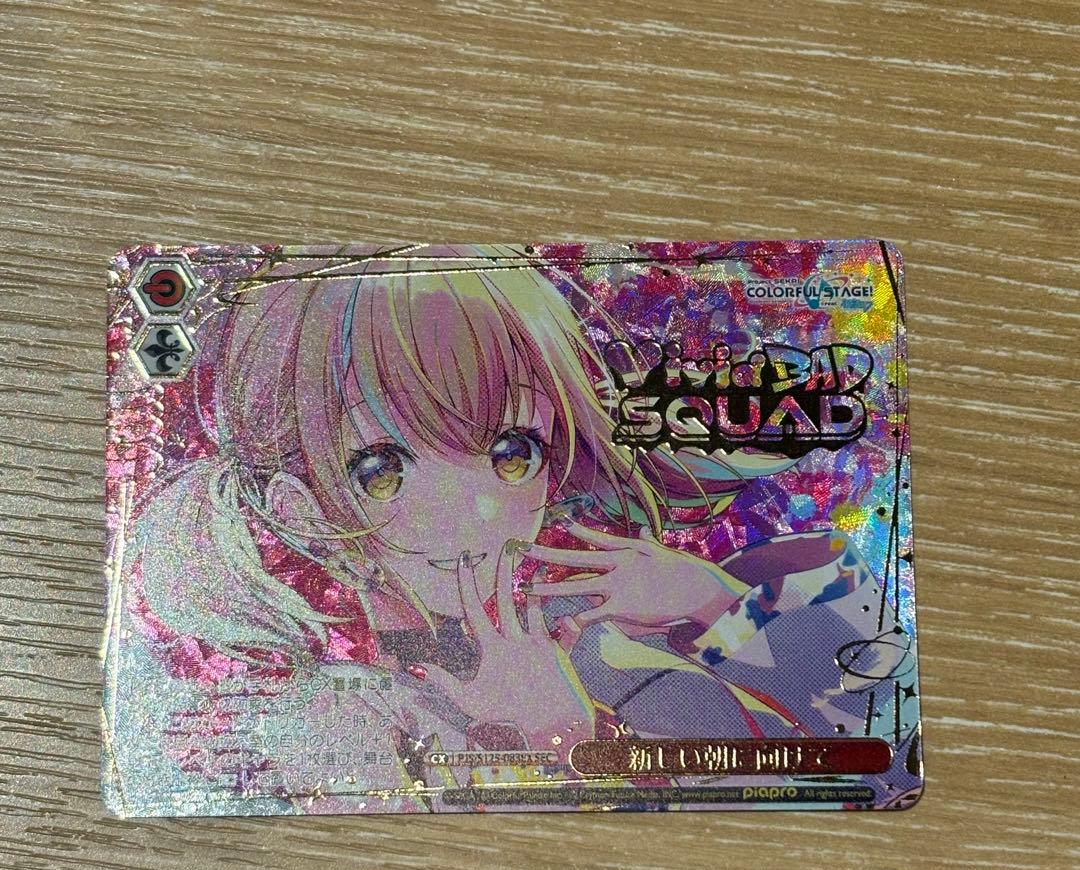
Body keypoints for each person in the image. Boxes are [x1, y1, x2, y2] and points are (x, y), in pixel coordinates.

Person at [104, 245, 918, 815]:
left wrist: (715, 605)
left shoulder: (597, 629)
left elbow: (877, 757)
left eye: (512, 452)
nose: (483, 512)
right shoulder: (338, 717)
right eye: (381, 469)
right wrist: (560, 743)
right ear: (302, 510)